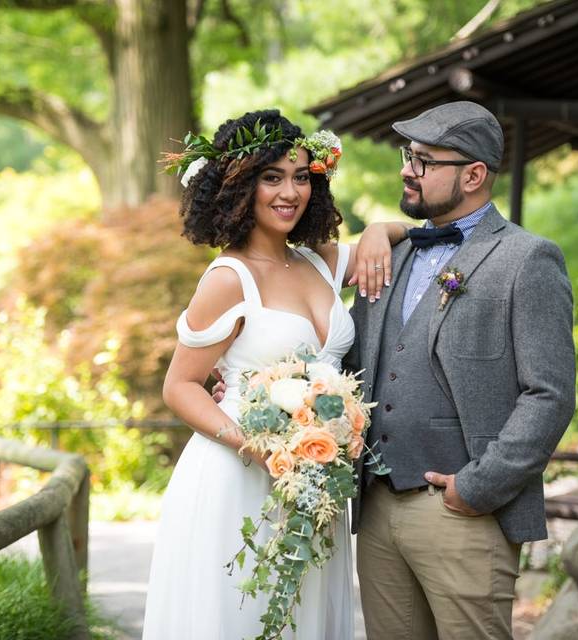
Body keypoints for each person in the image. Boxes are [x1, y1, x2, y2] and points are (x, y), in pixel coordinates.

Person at [142, 109, 408, 640]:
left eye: (301, 176)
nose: (291, 192)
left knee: (305, 612)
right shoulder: (227, 278)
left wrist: (381, 228)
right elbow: (180, 386)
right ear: (238, 187)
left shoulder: (320, 263)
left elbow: (407, 238)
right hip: (240, 476)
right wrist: (257, 447)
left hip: (315, 478)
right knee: (244, 612)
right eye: (272, 177)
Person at [346, 101, 576, 640]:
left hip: (464, 514)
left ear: (474, 175)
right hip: (376, 511)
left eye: (425, 160)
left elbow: (549, 395)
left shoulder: (527, 259)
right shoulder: (388, 255)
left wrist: (476, 489)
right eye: (409, 155)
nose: (407, 168)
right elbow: (350, 362)